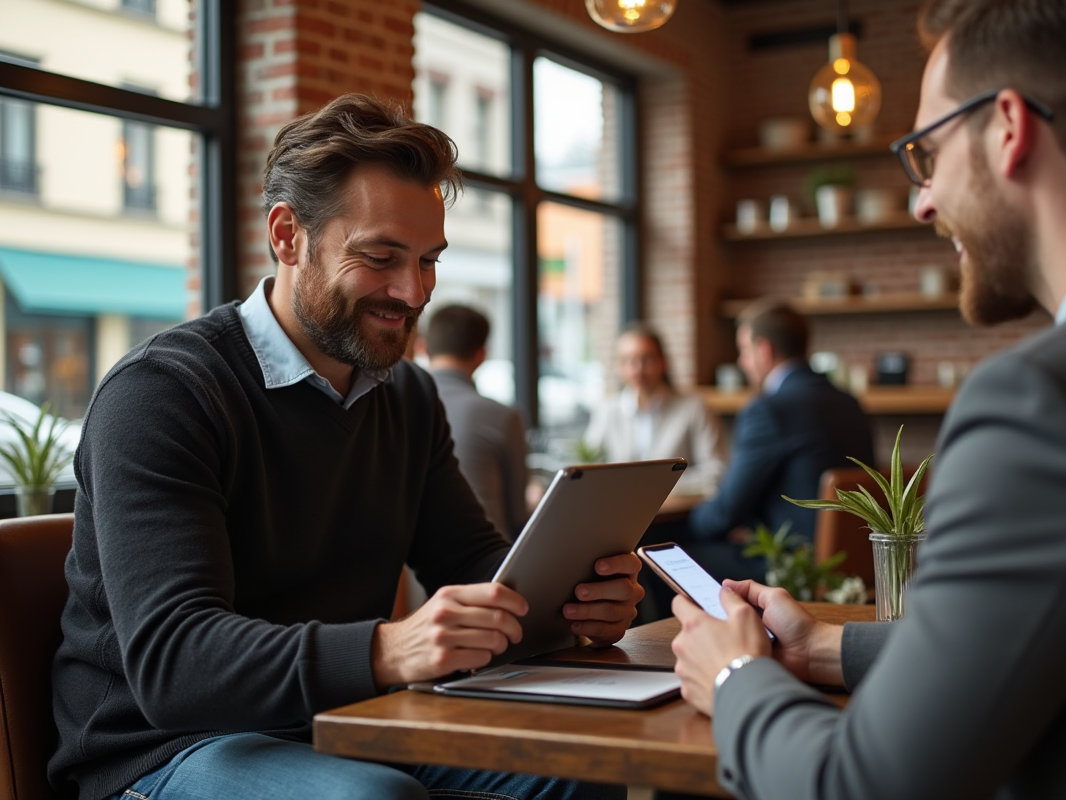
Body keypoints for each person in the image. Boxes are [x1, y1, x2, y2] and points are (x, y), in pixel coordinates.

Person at [670, 1, 1066, 798]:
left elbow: (864, 786)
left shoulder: (1045, 404)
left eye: (928, 152)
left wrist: (735, 675)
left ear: (1009, 129)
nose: (922, 201)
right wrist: (822, 647)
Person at [49, 94, 643, 800]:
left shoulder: (408, 395)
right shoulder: (163, 393)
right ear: (287, 235)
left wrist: (570, 601)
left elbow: (470, 561)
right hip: (163, 747)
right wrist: (390, 648)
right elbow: (175, 664)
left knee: (585, 764)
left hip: (346, 721)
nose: (412, 292)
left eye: (428, 261)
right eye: (380, 257)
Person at [688, 301, 874, 555]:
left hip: (793, 564)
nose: (742, 362)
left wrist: (689, 521)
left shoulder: (768, 409)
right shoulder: (849, 402)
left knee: (672, 558)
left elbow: (725, 512)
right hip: (853, 557)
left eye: (744, 351)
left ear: (764, 350)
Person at [584, 322, 726, 496]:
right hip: (619, 508)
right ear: (618, 366)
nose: (637, 370)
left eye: (646, 359)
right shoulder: (607, 411)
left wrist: (654, 486)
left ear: (662, 361)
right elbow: (587, 466)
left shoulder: (694, 408)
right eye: (627, 361)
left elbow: (715, 471)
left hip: (677, 509)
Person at [424, 304, 528, 540]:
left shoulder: (395, 408)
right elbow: (517, 517)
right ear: (481, 355)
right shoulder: (504, 416)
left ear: (422, 346)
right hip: (491, 557)